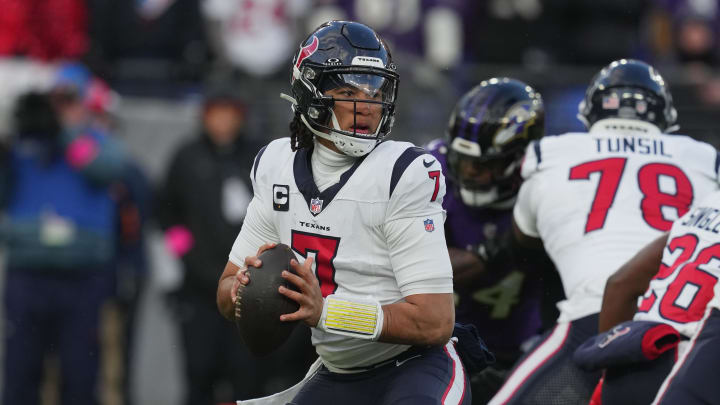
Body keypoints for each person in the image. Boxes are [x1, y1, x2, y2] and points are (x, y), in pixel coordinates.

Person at [217, 20, 491, 405]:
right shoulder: (276, 165)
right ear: (311, 94)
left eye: (374, 90)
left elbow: (435, 321)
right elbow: (226, 292)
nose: (367, 105)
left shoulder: (403, 172)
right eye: (348, 91)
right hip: (338, 375)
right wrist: (247, 290)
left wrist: (326, 312)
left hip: (415, 369)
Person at [488, 59, 720, 405]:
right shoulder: (703, 159)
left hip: (590, 318)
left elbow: (522, 243)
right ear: (664, 115)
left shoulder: (550, 153)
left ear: (590, 112)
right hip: (681, 328)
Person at [158, 87, 314, 404]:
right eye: (217, 112)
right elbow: (166, 213)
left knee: (250, 377)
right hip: (199, 288)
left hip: (254, 288)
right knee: (199, 373)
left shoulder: (259, 158)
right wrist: (186, 253)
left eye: (230, 113)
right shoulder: (186, 157)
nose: (223, 121)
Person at [426, 78, 561, 403]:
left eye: (485, 165)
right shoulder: (432, 169)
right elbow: (418, 266)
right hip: (438, 345)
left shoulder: (548, 183)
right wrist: (496, 250)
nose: (470, 173)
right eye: (464, 161)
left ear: (520, 159)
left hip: (520, 349)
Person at [0, 87, 127, 405]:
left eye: (67, 102)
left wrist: (67, 133)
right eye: (52, 103)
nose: (56, 110)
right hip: (28, 276)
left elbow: (109, 169)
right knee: (20, 371)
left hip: (81, 278)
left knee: (80, 373)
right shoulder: (22, 146)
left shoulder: (92, 142)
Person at [574, 187, 720, 404]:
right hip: (693, 364)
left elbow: (620, 283)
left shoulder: (710, 200)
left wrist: (608, 374)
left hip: (629, 360)